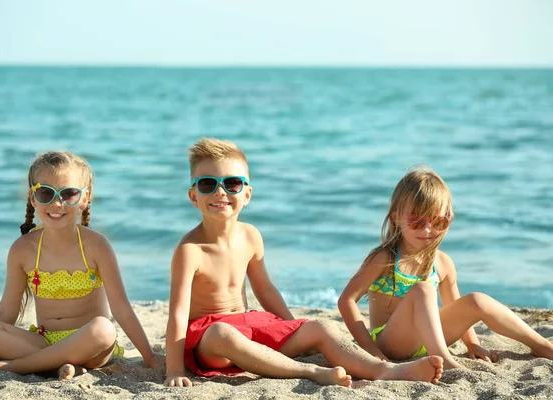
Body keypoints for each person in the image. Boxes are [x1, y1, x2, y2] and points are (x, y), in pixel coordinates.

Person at [164, 138, 444, 388]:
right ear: (193, 196)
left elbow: (266, 291)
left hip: (251, 325)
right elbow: (177, 314)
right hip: (211, 340)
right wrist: (174, 369)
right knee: (222, 332)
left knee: (320, 327)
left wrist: (291, 325)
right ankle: (309, 371)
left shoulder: (250, 236)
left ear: (246, 194)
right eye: (207, 184)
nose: (220, 192)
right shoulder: (190, 250)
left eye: (232, 183)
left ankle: (385, 371)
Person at [0, 150, 156, 379]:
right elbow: (7, 309)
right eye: (45, 193)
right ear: (33, 198)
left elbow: (121, 308)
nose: (57, 203)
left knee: (104, 329)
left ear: (84, 198)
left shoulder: (96, 246)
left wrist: (150, 357)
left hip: (90, 346)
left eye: (68, 193)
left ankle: (11, 367)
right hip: (43, 340)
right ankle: (57, 366)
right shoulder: (22, 249)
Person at [338, 166, 553, 370]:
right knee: (423, 290)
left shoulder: (442, 263)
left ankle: (541, 345)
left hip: (430, 340)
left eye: (438, 222)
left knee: (476, 300)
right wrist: (370, 349)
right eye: (416, 222)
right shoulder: (385, 259)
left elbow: (455, 306)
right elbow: (346, 300)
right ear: (396, 216)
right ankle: (444, 358)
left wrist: (471, 343)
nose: (428, 230)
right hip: (393, 343)